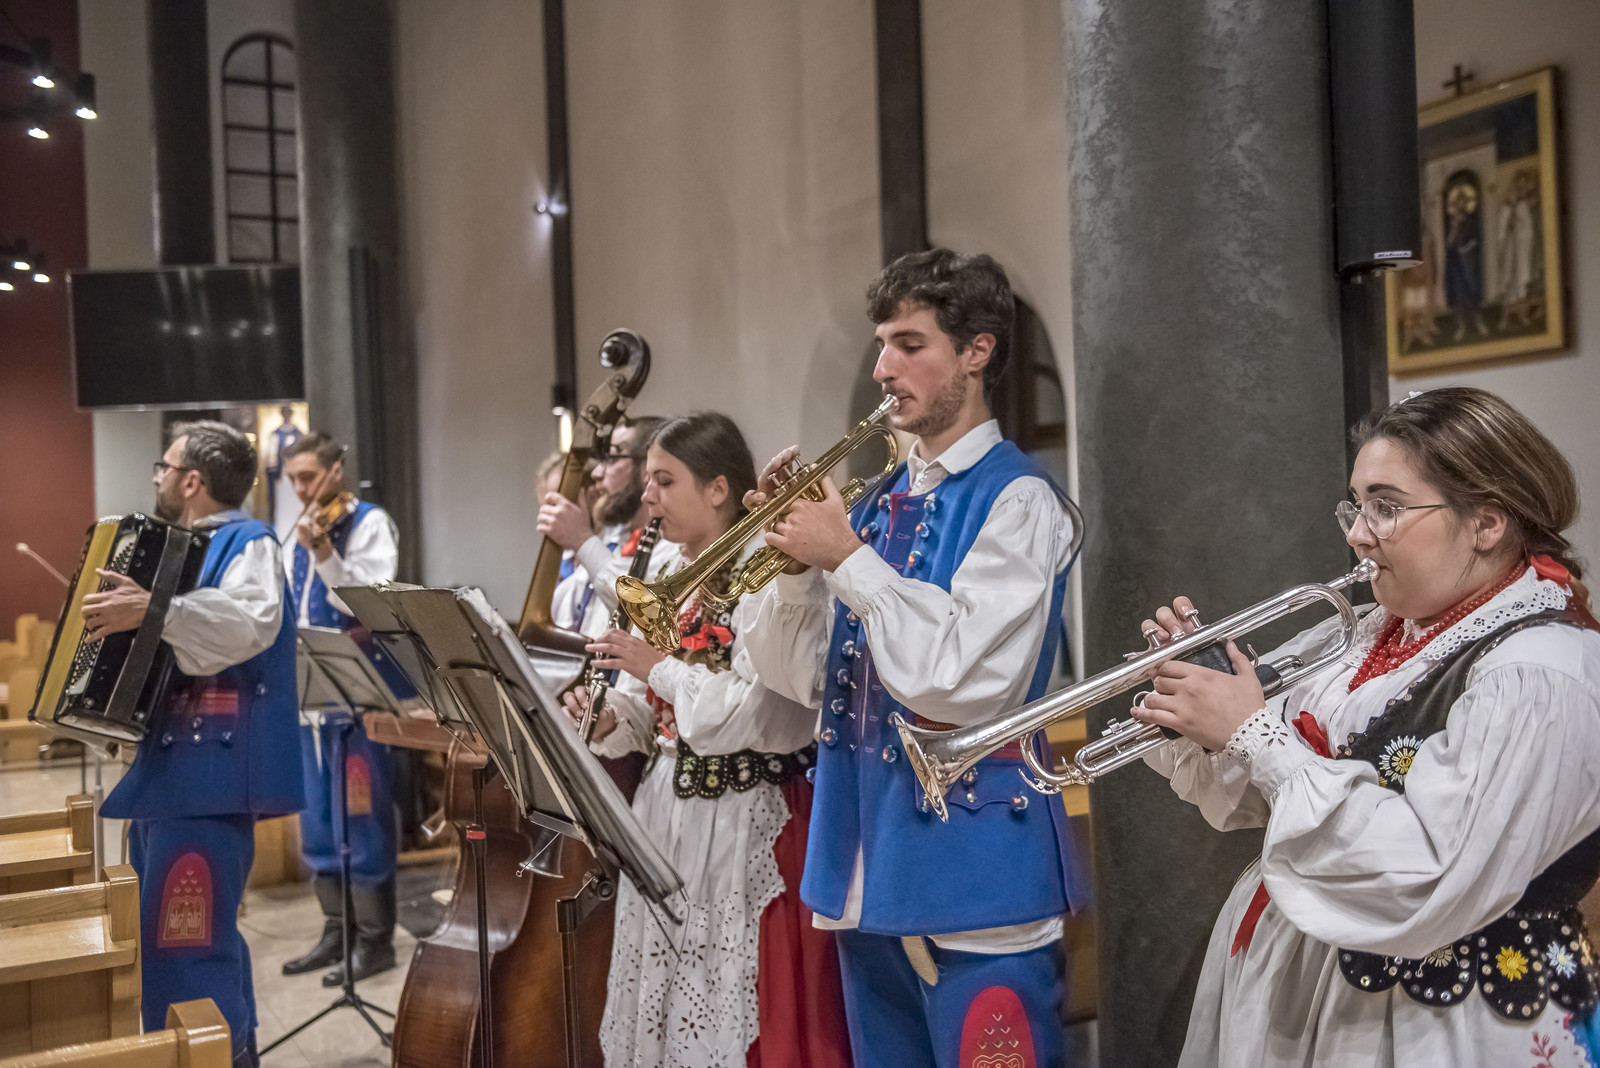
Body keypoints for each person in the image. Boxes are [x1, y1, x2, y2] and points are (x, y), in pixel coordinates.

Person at [1133, 387, 1600, 1067]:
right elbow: (1257, 802)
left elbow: (1433, 875)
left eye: (1386, 507)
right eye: (1356, 506)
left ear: (1487, 523)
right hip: (1311, 988)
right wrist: (1207, 706)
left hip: (1439, 1021)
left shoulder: (1538, 671)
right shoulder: (1365, 634)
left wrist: (1258, 735)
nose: (1356, 533)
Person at [742, 248, 1086, 1068]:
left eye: (909, 344)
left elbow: (956, 682)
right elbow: (807, 681)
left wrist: (846, 558)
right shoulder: (877, 504)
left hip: (977, 884)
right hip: (868, 877)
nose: (883, 369)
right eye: (881, 345)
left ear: (977, 351)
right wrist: (795, 572)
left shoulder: (1019, 500)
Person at [562, 412, 851, 1068]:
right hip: (667, 814)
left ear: (718, 489)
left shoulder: (767, 573)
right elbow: (656, 712)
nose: (648, 496)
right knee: (665, 992)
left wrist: (656, 667)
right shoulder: (669, 568)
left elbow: (759, 712)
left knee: (740, 992)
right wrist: (616, 720)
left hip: (746, 815)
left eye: (664, 481)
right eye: (647, 480)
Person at [85, 420, 304, 1068]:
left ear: (191, 481)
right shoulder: (179, 548)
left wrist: (156, 611)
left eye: (164, 466)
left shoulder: (249, 540)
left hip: (212, 774)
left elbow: (249, 623)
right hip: (171, 773)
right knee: (169, 943)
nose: (155, 477)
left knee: (188, 949)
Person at [277, 432, 405, 986]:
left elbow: (369, 601)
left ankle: (375, 939)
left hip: (359, 695)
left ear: (336, 470)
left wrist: (326, 555)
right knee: (317, 820)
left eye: (308, 477)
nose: (300, 489)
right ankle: (337, 931)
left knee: (361, 814)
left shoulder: (369, 524)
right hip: (309, 695)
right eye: (292, 479)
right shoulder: (299, 532)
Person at [543, 415, 665, 636]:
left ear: (647, 468)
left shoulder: (674, 546)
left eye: (611, 458)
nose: (597, 473)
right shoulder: (618, 539)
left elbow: (647, 614)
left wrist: (581, 538)